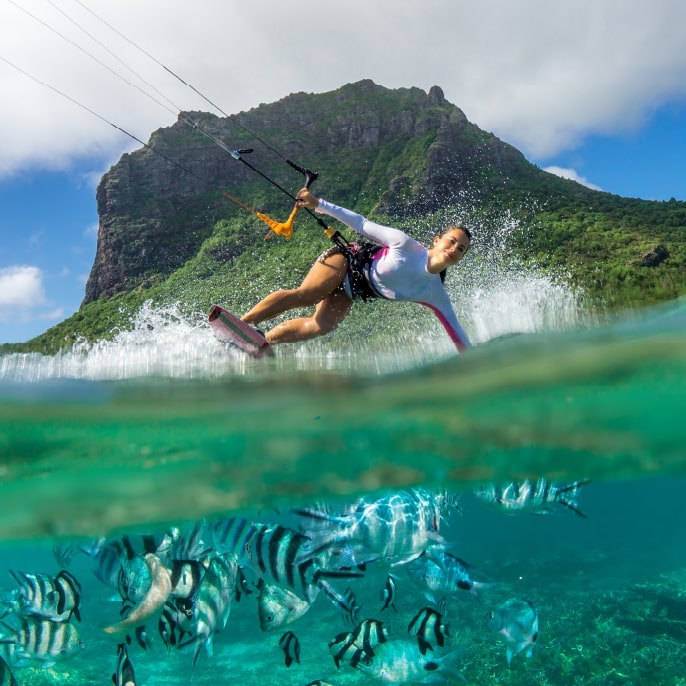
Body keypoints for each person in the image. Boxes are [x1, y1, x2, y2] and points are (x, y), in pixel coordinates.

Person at [241, 189, 472, 352]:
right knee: (309, 295)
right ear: (437, 240)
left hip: (354, 288)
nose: (453, 249)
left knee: (323, 326)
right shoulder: (404, 244)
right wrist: (318, 204)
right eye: (451, 241)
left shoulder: (435, 293)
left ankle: (263, 341)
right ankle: (246, 323)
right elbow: (361, 224)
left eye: (461, 249)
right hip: (346, 261)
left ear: (461, 258)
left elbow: (459, 335)